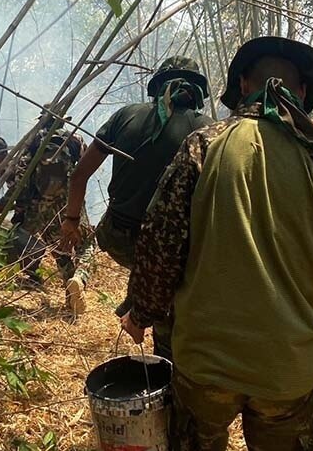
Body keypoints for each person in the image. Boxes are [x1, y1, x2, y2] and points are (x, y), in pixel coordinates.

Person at [122, 37, 313, 451]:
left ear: (242, 85)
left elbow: (160, 241)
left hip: (203, 367)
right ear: (301, 93)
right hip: (286, 373)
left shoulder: (203, 148)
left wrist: (142, 311)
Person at [60, 56, 212, 357]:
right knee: (168, 296)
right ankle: (162, 348)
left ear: (156, 89)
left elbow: (79, 175)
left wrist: (71, 220)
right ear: (197, 93)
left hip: (119, 237)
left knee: (127, 252)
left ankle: (128, 293)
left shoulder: (125, 115)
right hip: (172, 250)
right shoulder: (209, 131)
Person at [0, 128, 96, 315]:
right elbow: (81, 165)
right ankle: (79, 281)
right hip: (69, 200)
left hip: (43, 210)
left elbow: (17, 191)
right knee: (86, 244)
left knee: (61, 251)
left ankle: (71, 292)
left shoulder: (24, 157)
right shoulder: (68, 140)